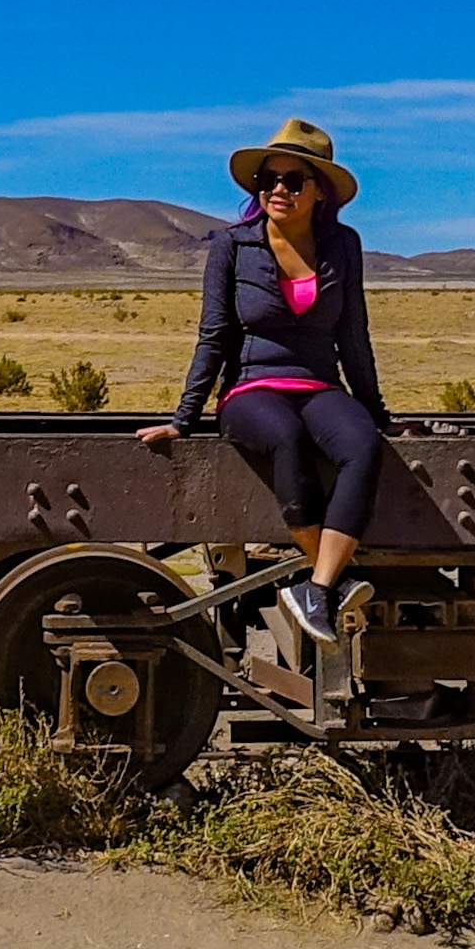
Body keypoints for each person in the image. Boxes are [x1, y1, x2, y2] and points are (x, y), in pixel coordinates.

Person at [136, 117, 394, 641]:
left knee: (362, 444)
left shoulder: (342, 245)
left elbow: (354, 335)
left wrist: (378, 411)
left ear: (320, 191)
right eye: (268, 180)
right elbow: (214, 335)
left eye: (293, 180)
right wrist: (183, 421)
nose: (278, 189)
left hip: (319, 385)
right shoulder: (234, 246)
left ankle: (316, 589)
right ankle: (338, 582)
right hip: (251, 389)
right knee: (287, 439)